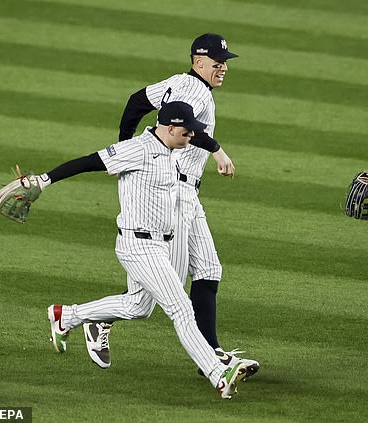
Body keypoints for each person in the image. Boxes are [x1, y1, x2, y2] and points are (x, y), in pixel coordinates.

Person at [42, 101, 247, 399]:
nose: (192, 137)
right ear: (171, 128)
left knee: (138, 308)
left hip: (159, 244)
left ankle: (67, 316)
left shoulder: (169, 151)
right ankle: (219, 374)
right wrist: (44, 180)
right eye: (188, 132)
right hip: (138, 246)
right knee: (181, 309)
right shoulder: (136, 149)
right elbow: (88, 161)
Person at [84, 33, 260, 378]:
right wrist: (218, 150)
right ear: (198, 62)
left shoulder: (177, 82)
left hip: (187, 195)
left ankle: (211, 354)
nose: (223, 68)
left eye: (225, 62)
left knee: (209, 270)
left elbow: (137, 101)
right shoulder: (194, 90)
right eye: (217, 62)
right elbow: (185, 127)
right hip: (173, 195)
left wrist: (125, 144)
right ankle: (95, 319)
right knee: (162, 290)